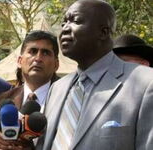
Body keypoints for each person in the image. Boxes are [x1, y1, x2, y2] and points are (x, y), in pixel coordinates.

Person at [38, 0, 153, 150]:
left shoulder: (146, 83)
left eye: (76, 21)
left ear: (103, 32)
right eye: (64, 23)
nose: (65, 29)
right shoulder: (57, 89)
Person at [0, 30, 60, 150]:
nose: (38, 58)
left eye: (46, 53)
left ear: (56, 65)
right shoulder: (3, 99)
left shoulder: (66, 99)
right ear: (20, 61)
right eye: (32, 51)